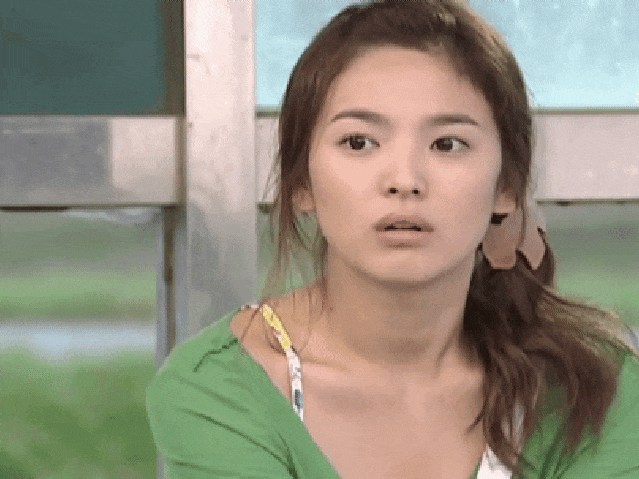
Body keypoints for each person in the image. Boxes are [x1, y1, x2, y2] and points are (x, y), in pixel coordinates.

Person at [146, 1, 639, 477]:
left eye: (447, 144)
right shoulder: (220, 387)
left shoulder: (599, 387)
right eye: (359, 142)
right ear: (302, 183)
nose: (404, 180)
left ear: (506, 186)